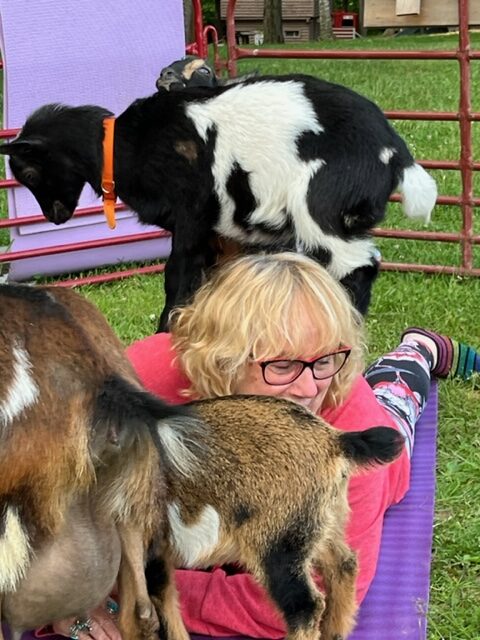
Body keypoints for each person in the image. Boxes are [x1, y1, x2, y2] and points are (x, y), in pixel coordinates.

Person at [49, 253, 480, 640]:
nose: (310, 386)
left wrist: (117, 583)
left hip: (372, 439)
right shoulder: (140, 380)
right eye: (283, 365)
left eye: (327, 359)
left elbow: (284, 606)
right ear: (223, 360)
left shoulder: (343, 420)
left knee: (394, 400)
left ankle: (417, 351)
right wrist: (70, 595)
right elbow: (46, 493)